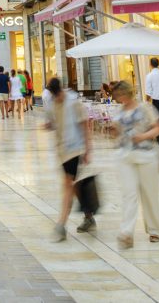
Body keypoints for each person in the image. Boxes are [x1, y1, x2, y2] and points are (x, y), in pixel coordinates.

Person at [109, 80, 159, 248]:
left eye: (120, 95)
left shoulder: (145, 108)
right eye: (117, 96)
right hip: (125, 156)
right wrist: (113, 132)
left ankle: (155, 230)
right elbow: (117, 132)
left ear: (128, 93)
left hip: (146, 154)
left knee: (150, 194)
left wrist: (143, 136)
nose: (119, 99)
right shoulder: (118, 111)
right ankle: (126, 233)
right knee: (129, 194)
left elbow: (158, 128)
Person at [44, 76, 95, 240]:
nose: (57, 98)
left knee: (68, 184)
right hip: (62, 151)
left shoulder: (73, 102)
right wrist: (48, 126)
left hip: (75, 149)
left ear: (61, 90)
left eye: (57, 94)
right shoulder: (52, 103)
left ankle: (61, 225)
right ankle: (88, 216)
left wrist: (88, 149)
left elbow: (84, 125)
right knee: (74, 185)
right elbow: (52, 122)